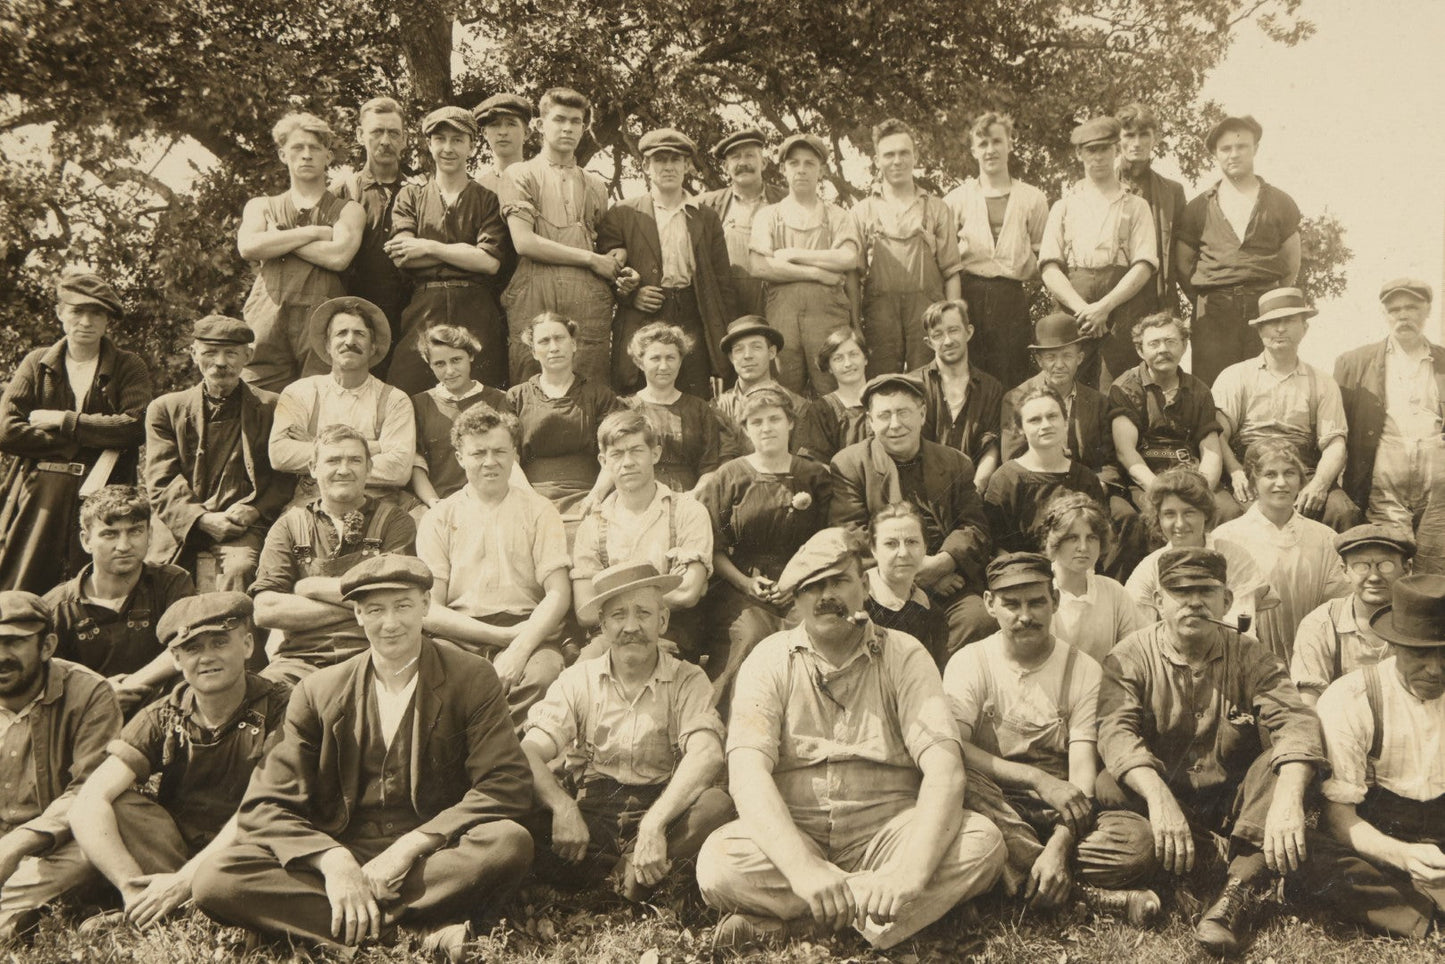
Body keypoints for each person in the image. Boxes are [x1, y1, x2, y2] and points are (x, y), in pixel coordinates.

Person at [191, 555, 535, 962]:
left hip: (431, 859)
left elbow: (506, 783)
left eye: (403, 606)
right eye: (375, 610)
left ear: (427, 605)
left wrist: (409, 846)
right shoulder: (318, 691)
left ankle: (340, 927)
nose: (390, 623)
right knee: (217, 878)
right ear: (356, 614)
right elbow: (264, 804)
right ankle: (419, 933)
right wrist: (334, 862)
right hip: (342, 850)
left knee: (508, 843)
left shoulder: (472, 677)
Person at [696, 528, 1006, 951]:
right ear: (797, 598)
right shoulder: (768, 659)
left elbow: (945, 770)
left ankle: (798, 925)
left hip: (889, 833)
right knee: (718, 863)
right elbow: (748, 775)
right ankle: (892, 915)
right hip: (796, 831)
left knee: (982, 843)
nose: (826, 596)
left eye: (839, 581)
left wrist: (910, 872)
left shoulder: (905, 654)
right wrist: (804, 869)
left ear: (864, 586)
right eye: (812, 587)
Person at [1094, 547, 1329, 957]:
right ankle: (1227, 861)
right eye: (1179, 592)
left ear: (1226, 599)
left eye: (1206, 591)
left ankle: (1231, 896)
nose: (1194, 602)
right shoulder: (1128, 656)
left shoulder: (1251, 654)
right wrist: (1159, 799)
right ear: (1158, 601)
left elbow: (1297, 723)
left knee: (1286, 769)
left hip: (1230, 802)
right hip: (1159, 798)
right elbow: (1116, 734)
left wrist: (1290, 798)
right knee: (1121, 822)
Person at [68, 593, 289, 932]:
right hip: (177, 852)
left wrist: (184, 881)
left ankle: (191, 901)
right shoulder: (163, 714)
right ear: (175, 657)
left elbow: (263, 808)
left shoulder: (281, 706)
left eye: (219, 643)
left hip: (250, 847)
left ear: (247, 645)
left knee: (271, 826)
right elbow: (86, 802)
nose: (207, 658)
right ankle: (152, 905)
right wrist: (130, 887)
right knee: (120, 804)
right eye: (193, 648)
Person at [521, 562, 733, 901]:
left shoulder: (688, 678)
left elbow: (707, 753)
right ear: (603, 625)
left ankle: (610, 879)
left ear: (662, 621)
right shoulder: (579, 679)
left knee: (716, 805)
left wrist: (655, 824)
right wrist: (563, 808)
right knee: (517, 803)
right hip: (591, 816)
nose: (631, 626)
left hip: (660, 807)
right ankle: (635, 881)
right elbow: (529, 752)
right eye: (618, 615)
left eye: (643, 613)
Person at [944, 553, 1138, 917]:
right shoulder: (970, 662)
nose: (1025, 616)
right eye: (1011, 604)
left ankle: (1018, 871)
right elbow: (953, 749)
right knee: (956, 782)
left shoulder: (1082, 669)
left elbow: (1081, 771)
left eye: (1036, 602)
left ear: (1056, 601)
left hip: (1057, 806)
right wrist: (1036, 778)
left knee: (1136, 843)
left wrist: (1061, 843)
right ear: (989, 604)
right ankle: (1073, 891)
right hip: (992, 801)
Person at [416, 405, 570, 727]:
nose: (490, 462)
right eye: (478, 453)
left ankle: (510, 766)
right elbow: (429, 608)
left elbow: (557, 594)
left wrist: (519, 648)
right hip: (460, 633)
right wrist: (501, 638)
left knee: (541, 679)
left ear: (514, 453)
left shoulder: (540, 510)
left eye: (500, 451)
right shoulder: (439, 518)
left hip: (528, 626)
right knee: (439, 679)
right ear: (460, 457)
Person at [0, 271, 152, 595]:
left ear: (108, 320)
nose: (86, 321)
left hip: (103, 492)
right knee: (22, 588)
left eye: (96, 313)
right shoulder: (37, 363)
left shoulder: (128, 366)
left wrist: (65, 420)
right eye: (76, 311)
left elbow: (135, 427)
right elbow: (7, 430)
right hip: (41, 491)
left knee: (95, 588)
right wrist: (87, 440)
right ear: (60, 313)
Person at [1311, 574, 1445, 938]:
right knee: (1308, 857)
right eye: (1420, 653)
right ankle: (1421, 912)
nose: (1435, 669)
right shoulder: (1353, 699)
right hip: (1379, 829)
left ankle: (1418, 901)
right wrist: (1401, 855)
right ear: (1394, 646)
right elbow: (1339, 817)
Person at [829, 373, 995, 655]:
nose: (895, 425)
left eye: (903, 412)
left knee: (978, 619)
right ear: (870, 421)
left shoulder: (955, 462)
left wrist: (943, 564)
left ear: (922, 413)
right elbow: (851, 535)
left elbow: (974, 526)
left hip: (947, 580)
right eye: (884, 416)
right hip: (883, 583)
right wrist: (916, 572)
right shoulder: (849, 465)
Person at [250, 426, 416, 686]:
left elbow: (394, 597)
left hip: (375, 656)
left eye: (355, 460)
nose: (344, 469)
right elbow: (266, 610)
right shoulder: (289, 526)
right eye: (333, 460)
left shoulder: (395, 522)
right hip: (300, 661)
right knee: (266, 699)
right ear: (313, 468)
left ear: (369, 468)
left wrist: (309, 587)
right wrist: (366, 602)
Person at [0, 591, 121, 943]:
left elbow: (90, 788)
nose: (1, 656)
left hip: (53, 845)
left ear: (47, 645)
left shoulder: (89, 693)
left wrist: (19, 843)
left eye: (14, 643)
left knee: (91, 852)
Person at [698, 387, 832, 702]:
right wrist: (745, 583)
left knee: (814, 633)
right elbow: (712, 548)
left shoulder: (813, 475)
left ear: (790, 423)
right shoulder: (730, 476)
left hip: (803, 583)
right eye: (756, 422)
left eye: (774, 419)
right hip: (742, 585)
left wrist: (796, 579)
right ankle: (722, 725)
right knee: (750, 636)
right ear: (745, 429)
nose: (767, 427)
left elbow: (830, 539)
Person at [145, 315, 291, 592]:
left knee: (241, 569)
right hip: (181, 523)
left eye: (231, 353)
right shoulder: (165, 409)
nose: (221, 362)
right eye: (210, 352)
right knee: (157, 576)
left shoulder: (272, 407)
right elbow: (161, 481)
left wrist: (255, 510)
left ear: (247, 356)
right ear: (193, 353)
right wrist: (201, 519)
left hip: (242, 527)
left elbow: (283, 478)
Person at [598, 128, 737, 398]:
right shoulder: (623, 213)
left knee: (692, 393)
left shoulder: (705, 217)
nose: (669, 167)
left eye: (676, 160)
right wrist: (631, 296)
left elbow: (723, 282)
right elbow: (607, 275)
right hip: (642, 316)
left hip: (691, 315)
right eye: (660, 159)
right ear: (646, 166)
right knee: (638, 395)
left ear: (687, 166)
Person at [1004, 312, 1143, 579]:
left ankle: (1108, 584)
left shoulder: (1097, 401)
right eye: (1050, 357)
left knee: (1126, 517)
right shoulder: (1017, 398)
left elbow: (1109, 459)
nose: (1059, 364)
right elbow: (1012, 455)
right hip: (1041, 483)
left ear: (1080, 358)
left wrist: (1100, 482)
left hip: (1091, 486)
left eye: (1067, 356)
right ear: (1039, 359)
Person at [1212, 286, 1361, 531]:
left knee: (1341, 512)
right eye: (1272, 322)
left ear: (1305, 328)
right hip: (1248, 471)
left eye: (1289, 321)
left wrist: (1320, 485)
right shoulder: (1235, 376)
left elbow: (1335, 442)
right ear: (1260, 331)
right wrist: (1235, 471)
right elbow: (1218, 433)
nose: (1280, 329)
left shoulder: (1322, 381)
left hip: (1303, 471)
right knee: (1225, 513)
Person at [384, 106, 509, 394]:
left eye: (458, 139)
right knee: (406, 390)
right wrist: (466, 254)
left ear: (472, 146)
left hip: (475, 307)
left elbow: (489, 262)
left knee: (483, 392)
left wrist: (427, 246)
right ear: (429, 144)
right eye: (440, 139)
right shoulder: (411, 195)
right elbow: (403, 255)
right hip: (424, 306)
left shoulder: (487, 199)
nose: (448, 148)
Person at [499, 87, 619, 385]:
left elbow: (608, 247)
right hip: (535, 291)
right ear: (540, 125)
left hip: (586, 299)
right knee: (531, 385)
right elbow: (525, 242)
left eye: (576, 121)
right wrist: (592, 259)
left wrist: (617, 265)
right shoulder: (519, 174)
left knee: (590, 388)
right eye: (559, 119)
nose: (568, 128)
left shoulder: (595, 186)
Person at [237, 112, 363, 392]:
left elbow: (338, 257)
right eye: (297, 148)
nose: (306, 155)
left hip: (322, 321)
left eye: (314, 148)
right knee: (257, 400)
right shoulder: (261, 206)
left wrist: (276, 238)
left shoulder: (348, 209)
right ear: (283, 154)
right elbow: (248, 246)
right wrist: (315, 232)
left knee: (321, 403)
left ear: (328, 157)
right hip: (266, 317)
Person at [571, 411, 713, 658]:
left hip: (671, 635)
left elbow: (689, 592)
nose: (627, 462)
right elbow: (585, 609)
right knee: (585, 668)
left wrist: (611, 597)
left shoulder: (688, 512)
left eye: (636, 450)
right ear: (603, 462)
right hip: (610, 639)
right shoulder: (592, 525)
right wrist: (663, 585)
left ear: (655, 454)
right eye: (617, 454)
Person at [43, 485, 195, 714]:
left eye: (135, 531)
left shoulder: (171, 583)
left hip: (160, 717)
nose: (124, 546)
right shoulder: (56, 607)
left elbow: (186, 644)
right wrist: (100, 694)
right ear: (86, 541)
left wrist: (130, 685)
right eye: (109, 534)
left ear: (150, 535)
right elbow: (45, 678)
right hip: (85, 719)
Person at [1175, 115, 1301, 385]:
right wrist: (1210, 295)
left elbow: (1291, 260)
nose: (1234, 154)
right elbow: (1183, 264)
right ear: (1215, 154)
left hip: (1264, 308)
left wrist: (1270, 296)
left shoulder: (1280, 202)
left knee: (1267, 383)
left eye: (1241, 146)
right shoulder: (1198, 207)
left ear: (1255, 148)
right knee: (1212, 388)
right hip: (1214, 312)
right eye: (1226, 149)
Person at [1038, 116, 1158, 389]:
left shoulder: (1136, 205)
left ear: (1116, 150)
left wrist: (1104, 307)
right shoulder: (1064, 206)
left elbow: (1144, 264)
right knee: (1070, 383)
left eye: (1105, 149)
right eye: (1091, 150)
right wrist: (1084, 310)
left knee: (1120, 387)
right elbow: (1049, 267)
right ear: (1079, 153)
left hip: (1121, 306)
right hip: (1073, 307)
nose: (1099, 157)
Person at [1335, 278, 1445, 571]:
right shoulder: (1354, 362)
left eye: (1412, 307)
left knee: (1435, 570)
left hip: (1438, 487)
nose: (1403, 315)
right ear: (1384, 314)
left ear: (1427, 311)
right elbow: (1339, 431)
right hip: (1384, 484)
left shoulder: (1443, 361)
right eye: (1395, 309)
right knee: (1388, 562)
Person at [1213, 439, 1351, 663]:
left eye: (1289, 473)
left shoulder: (1325, 538)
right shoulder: (1227, 538)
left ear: (1300, 480)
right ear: (1253, 481)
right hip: (1246, 658)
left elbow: (1337, 606)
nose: (1281, 483)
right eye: (1270, 474)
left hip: (1313, 656)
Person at [269, 297, 415, 507]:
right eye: (341, 333)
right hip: (312, 501)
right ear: (327, 345)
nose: (349, 341)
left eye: (359, 334)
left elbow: (399, 470)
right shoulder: (300, 392)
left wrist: (315, 445)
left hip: (377, 504)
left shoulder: (395, 400)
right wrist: (375, 448)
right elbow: (280, 455)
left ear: (373, 347)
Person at [942, 112, 1050, 390]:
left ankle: (1009, 434)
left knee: (1011, 375)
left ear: (1010, 144)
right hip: (968, 296)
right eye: (983, 144)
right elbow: (945, 259)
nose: (990, 150)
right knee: (969, 375)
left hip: (1011, 297)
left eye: (997, 142)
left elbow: (1044, 256)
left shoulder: (1033, 199)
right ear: (973, 150)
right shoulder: (956, 200)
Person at [749, 133, 862, 395]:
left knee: (834, 389)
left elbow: (848, 258)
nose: (801, 170)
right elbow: (759, 266)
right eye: (794, 163)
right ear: (782, 169)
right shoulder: (768, 216)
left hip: (829, 318)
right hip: (783, 318)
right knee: (785, 393)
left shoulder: (837, 215)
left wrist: (791, 253)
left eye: (809, 163)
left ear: (821, 170)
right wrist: (817, 273)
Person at [850, 118, 963, 376]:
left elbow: (951, 272)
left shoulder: (936, 208)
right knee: (882, 384)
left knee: (930, 382)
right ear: (877, 160)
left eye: (904, 153)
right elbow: (853, 277)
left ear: (916, 157)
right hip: (880, 316)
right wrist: (855, 324)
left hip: (927, 315)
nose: (897, 161)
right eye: (889, 154)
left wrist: (954, 321)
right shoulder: (862, 211)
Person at [1110, 311, 1237, 525]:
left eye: (1170, 342)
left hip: (1192, 476)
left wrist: (1200, 491)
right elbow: (1126, 452)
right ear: (1140, 350)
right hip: (1146, 477)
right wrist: (1161, 491)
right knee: (1144, 519)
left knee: (1228, 512)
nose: (1163, 350)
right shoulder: (1125, 388)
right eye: (1154, 344)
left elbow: (1211, 450)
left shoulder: (1199, 391)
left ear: (1184, 346)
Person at [1126, 466, 1270, 630]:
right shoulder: (1149, 567)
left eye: (1189, 513)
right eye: (1169, 514)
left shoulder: (1235, 557)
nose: (1179, 524)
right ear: (1158, 518)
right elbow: (1140, 632)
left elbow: (1242, 630)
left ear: (1206, 513)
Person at [506, 312, 621, 519]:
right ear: (533, 351)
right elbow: (507, 457)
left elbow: (615, 452)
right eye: (544, 341)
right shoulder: (516, 397)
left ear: (574, 344)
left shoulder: (600, 396)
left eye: (560, 338)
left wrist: (596, 496)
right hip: (528, 497)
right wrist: (530, 500)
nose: (554, 348)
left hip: (590, 496)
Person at [1291, 524, 1415, 706]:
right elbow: (1309, 704)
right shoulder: (1321, 624)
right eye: (1361, 566)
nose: (1374, 577)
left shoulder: (1424, 621)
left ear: (1406, 568)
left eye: (1385, 565)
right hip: (1341, 730)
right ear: (1344, 571)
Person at [333, 96, 413, 374]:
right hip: (358, 321)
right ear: (360, 135)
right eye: (377, 132)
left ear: (404, 139)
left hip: (409, 319)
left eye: (393, 133)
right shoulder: (344, 191)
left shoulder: (420, 190)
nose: (385, 141)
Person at [984, 385, 1107, 555]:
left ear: (1065, 422)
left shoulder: (1086, 478)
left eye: (1052, 416)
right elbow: (999, 549)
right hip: (1020, 574)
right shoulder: (1005, 479)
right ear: (1020, 429)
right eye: (1035, 420)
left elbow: (1096, 541)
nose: (1046, 425)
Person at [408, 324, 513, 512]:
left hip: (491, 502)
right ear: (429, 363)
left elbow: (510, 460)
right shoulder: (419, 404)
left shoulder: (499, 399)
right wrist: (434, 503)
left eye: (456, 360)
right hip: (439, 503)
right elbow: (416, 465)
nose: (449, 371)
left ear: (470, 356)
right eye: (439, 364)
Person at [619, 322, 724, 493]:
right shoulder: (625, 408)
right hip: (640, 495)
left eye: (670, 358)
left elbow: (710, 466)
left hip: (691, 497)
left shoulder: (699, 409)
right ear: (640, 362)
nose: (664, 366)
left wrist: (691, 499)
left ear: (680, 361)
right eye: (655, 358)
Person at [912, 299, 1003, 494]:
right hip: (921, 493)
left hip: (975, 493)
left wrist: (975, 493)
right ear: (929, 343)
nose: (947, 341)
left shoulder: (990, 388)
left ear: (968, 332)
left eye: (953, 330)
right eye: (938, 334)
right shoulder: (913, 385)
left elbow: (992, 446)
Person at [1041, 492, 1142, 664]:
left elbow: (1136, 649)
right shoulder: (1040, 592)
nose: (1083, 547)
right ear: (1055, 542)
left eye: (1091, 538)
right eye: (1072, 538)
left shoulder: (1113, 592)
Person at [698, 129, 786, 318]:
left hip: (779, 303)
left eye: (749, 156)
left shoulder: (786, 201)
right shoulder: (707, 205)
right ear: (725, 167)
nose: (743, 163)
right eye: (735, 157)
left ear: (763, 162)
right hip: (729, 307)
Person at [1116, 104, 1188, 311]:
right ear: (1118, 140)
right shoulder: (1099, 188)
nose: (1136, 143)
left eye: (1144, 135)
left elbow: (1179, 254)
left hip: (1155, 294)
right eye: (1129, 135)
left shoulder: (1172, 192)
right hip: (1110, 293)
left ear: (1154, 138)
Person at [863, 501, 949, 669]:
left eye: (911, 542)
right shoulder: (856, 603)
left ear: (925, 547)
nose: (903, 553)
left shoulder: (932, 613)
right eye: (890, 544)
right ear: (873, 549)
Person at [712, 316, 806, 462]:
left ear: (772, 352)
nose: (747, 356)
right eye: (739, 350)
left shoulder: (798, 406)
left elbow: (803, 465)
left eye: (756, 347)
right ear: (731, 358)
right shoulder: (718, 407)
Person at [794, 328, 871, 466]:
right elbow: (815, 463)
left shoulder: (885, 397)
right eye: (838, 358)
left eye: (853, 354)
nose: (848, 364)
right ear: (829, 367)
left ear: (865, 358)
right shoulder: (822, 410)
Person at [473, 93, 533, 196]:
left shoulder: (541, 181)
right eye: (494, 125)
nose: (503, 132)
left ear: (526, 133)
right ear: (485, 133)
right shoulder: (477, 189)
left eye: (511, 124)